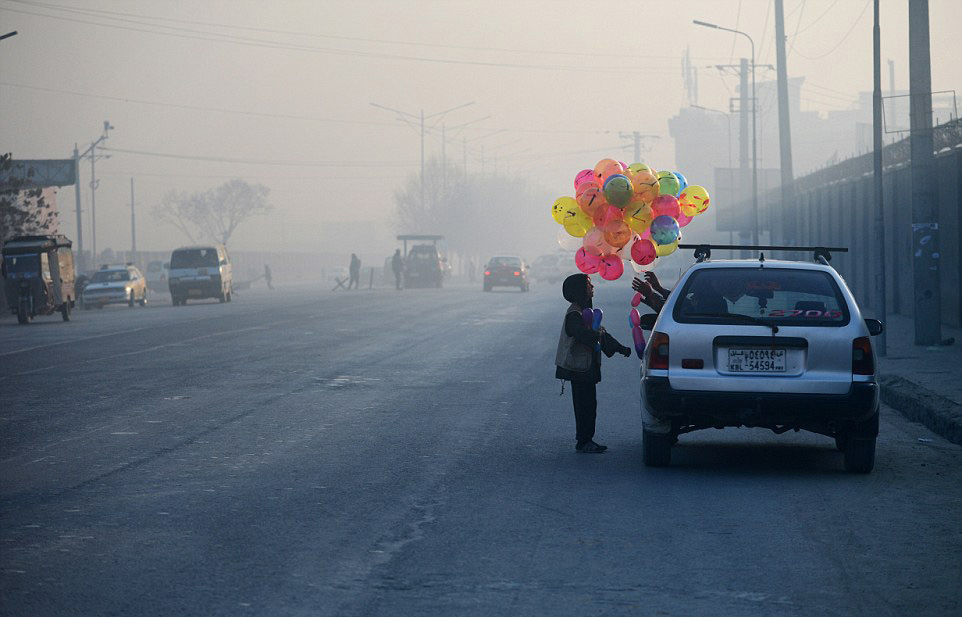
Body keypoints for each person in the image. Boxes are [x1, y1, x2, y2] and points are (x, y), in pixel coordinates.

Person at [555, 273, 632, 454]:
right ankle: (584, 441)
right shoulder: (574, 313)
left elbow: (600, 335)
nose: (592, 287)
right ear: (580, 290)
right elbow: (579, 332)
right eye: (589, 285)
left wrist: (621, 348)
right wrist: (595, 335)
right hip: (578, 368)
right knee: (584, 406)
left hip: (586, 367)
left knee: (589, 404)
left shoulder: (585, 312)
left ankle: (586, 439)